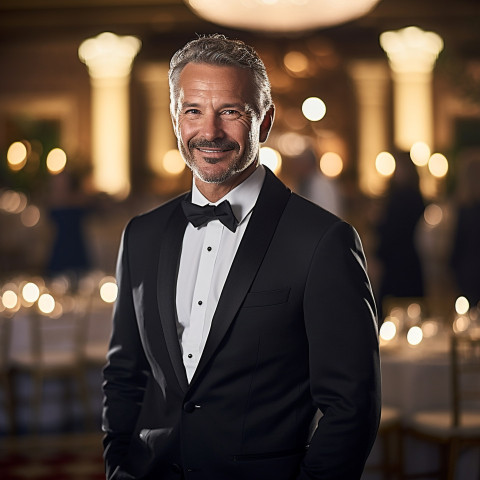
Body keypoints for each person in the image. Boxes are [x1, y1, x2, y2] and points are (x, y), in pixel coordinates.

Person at [102, 34, 380, 480]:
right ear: (176, 120)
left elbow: (352, 406)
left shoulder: (324, 241)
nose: (209, 132)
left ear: (264, 122)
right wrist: (120, 464)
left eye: (230, 112)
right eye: (193, 111)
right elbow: (124, 373)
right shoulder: (141, 235)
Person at [375, 150, 425, 318]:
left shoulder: (400, 198)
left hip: (399, 264)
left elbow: (391, 232)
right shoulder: (416, 197)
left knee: (393, 313)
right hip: (409, 263)